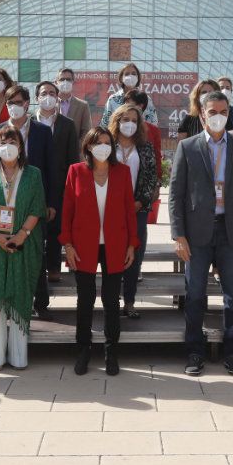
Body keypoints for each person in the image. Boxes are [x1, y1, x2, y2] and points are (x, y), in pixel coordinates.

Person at [169, 92, 233, 376]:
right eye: (212, 111)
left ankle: (232, 352)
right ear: (202, 113)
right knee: (195, 294)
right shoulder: (187, 147)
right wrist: (178, 235)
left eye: (223, 111)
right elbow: (175, 194)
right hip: (197, 234)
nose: (218, 115)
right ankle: (194, 351)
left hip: (231, 232)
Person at [60, 127, 138, 375]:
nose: (103, 146)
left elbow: (129, 210)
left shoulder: (122, 172)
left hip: (115, 245)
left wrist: (131, 244)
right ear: (88, 147)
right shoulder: (76, 171)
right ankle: (83, 349)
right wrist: (68, 244)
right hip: (83, 245)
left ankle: (110, 351)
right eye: (98, 142)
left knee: (111, 301)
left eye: (107, 142)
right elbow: (67, 210)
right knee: (85, 300)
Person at [0, 125, 46, 371]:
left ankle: (18, 355)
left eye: (12, 140)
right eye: (3, 141)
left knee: (20, 294)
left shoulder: (33, 174)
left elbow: (38, 208)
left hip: (24, 244)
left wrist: (22, 235)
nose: (8, 145)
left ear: (21, 145)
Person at [0, 85, 55, 317]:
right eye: (9, 102)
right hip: (3, 206)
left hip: (33, 204)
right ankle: (7, 301)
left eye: (18, 101)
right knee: (5, 251)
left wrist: (50, 202)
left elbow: (50, 170)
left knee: (36, 253)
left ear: (27, 103)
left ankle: (40, 303)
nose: (13, 106)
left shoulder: (43, 132)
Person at [108, 103, 159, 319]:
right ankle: (110, 302)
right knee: (110, 257)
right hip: (109, 211)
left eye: (133, 120)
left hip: (136, 210)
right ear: (116, 121)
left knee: (133, 257)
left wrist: (138, 203)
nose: (129, 124)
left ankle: (129, 302)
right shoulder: (106, 144)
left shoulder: (145, 147)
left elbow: (150, 178)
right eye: (124, 119)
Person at [33, 80, 80, 286]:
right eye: (44, 93)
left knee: (55, 228)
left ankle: (53, 268)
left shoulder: (67, 124)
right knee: (34, 228)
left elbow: (73, 159)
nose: (48, 96)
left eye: (52, 93)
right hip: (33, 182)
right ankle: (35, 268)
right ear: (37, 98)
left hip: (59, 183)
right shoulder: (28, 122)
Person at [124, 89, 164, 229]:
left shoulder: (152, 131)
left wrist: (157, 184)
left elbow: (157, 158)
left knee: (139, 231)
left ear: (140, 106)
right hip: (119, 191)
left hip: (142, 190)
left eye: (130, 103)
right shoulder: (117, 130)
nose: (126, 107)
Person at [55, 67, 93, 141]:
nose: (65, 82)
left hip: (74, 150)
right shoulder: (50, 104)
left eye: (68, 79)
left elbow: (86, 130)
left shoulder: (83, 105)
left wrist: (77, 149)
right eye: (62, 79)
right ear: (56, 82)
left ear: (73, 82)